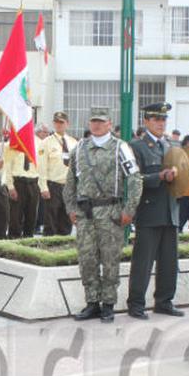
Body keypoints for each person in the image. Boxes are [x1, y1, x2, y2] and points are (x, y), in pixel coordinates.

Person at [64, 107, 142, 323]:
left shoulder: (120, 147)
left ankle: (108, 304)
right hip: (85, 212)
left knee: (109, 259)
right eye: (93, 121)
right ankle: (92, 303)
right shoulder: (79, 148)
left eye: (101, 121)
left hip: (110, 212)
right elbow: (70, 181)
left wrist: (129, 210)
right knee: (87, 259)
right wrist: (70, 208)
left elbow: (135, 179)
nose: (96, 125)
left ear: (109, 124)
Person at [127, 102, 183, 320]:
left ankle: (164, 302)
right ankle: (136, 304)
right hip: (149, 212)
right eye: (156, 119)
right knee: (143, 262)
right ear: (146, 121)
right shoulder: (136, 146)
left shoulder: (171, 146)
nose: (161, 123)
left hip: (171, 211)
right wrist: (158, 177)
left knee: (169, 262)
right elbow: (133, 179)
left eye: (163, 119)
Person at [3, 127, 46, 239]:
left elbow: (42, 166)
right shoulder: (12, 143)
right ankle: (14, 240)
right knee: (15, 217)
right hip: (18, 183)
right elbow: (7, 167)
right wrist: (10, 187)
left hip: (33, 183)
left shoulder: (39, 143)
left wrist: (42, 186)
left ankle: (28, 240)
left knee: (31, 216)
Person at [40, 112, 78, 236]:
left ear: (67, 124)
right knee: (50, 222)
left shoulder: (73, 143)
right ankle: (48, 251)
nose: (58, 125)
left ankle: (62, 249)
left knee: (66, 221)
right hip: (53, 186)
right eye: (56, 122)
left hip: (68, 186)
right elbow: (41, 167)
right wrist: (43, 187)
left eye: (61, 122)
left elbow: (77, 167)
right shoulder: (46, 142)